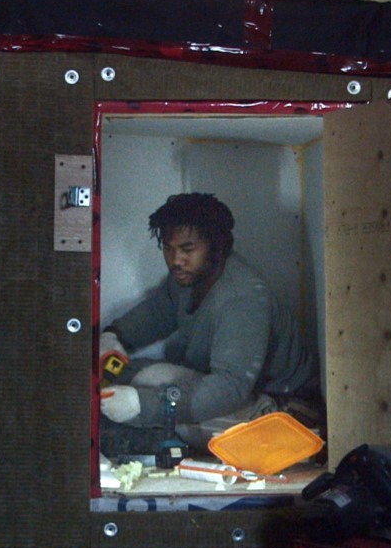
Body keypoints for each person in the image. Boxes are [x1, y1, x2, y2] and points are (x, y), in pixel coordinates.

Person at [98, 192, 321, 458]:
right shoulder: (189, 277)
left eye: (187, 249)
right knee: (134, 375)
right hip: (242, 396)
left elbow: (229, 389)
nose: (175, 260)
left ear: (217, 247)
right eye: (168, 248)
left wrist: (143, 407)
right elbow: (157, 313)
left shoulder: (242, 297)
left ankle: (167, 435)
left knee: (156, 397)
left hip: (285, 413)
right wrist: (114, 335)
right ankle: (166, 430)